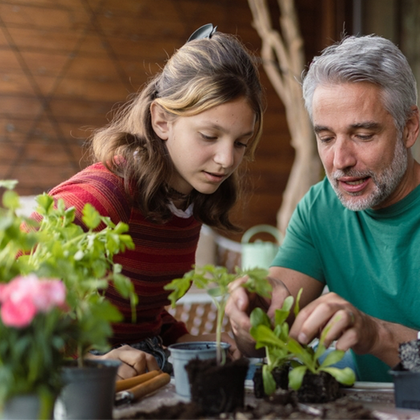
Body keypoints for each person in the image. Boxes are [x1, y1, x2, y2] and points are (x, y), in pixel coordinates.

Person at [227, 34, 420, 382]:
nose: (340, 160)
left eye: (363, 135)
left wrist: (377, 335)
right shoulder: (319, 209)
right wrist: (247, 318)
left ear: (409, 127)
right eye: (326, 138)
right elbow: (261, 340)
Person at [35, 27, 265, 379]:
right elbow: (14, 302)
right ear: (162, 120)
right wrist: (87, 363)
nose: (226, 159)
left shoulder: (189, 199)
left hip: (144, 364)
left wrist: (186, 339)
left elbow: (144, 312)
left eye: (240, 143)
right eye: (209, 136)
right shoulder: (101, 197)